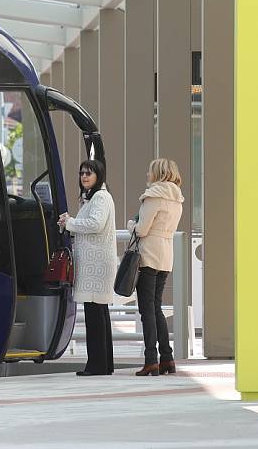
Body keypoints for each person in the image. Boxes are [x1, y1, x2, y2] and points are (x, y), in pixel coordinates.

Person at [58, 160, 117, 376]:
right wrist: (70, 223)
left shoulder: (100, 197)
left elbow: (95, 224)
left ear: (98, 175)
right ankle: (104, 364)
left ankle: (96, 365)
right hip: (96, 262)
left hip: (96, 264)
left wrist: (70, 223)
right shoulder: (93, 197)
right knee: (99, 313)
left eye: (89, 173)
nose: (84, 177)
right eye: (82, 173)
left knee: (95, 315)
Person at [127, 158, 184, 376]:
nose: (147, 175)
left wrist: (131, 224)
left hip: (149, 255)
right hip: (166, 255)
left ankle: (151, 359)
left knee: (146, 309)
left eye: (150, 171)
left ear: (158, 173)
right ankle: (167, 358)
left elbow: (141, 229)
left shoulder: (154, 196)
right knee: (156, 306)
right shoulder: (177, 198)